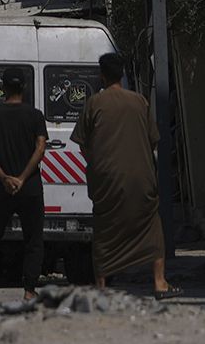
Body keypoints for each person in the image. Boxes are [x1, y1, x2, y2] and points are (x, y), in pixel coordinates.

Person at [71, 52, 179, 297]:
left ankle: (101, 286)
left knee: (105, 229)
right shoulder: (139, 101)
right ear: (122, 74)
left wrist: (97, 164)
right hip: (140, 178)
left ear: (102, 76)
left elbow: (82, 143)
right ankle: (160, 282)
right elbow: (153, 140)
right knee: (152, 224)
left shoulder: (94, 104)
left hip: (106, 179)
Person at [0, 73, 48, 304]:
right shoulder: (35, 116)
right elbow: (41, 147)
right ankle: (29, 291)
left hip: (1, 189)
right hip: (30, 188)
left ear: (2, 88)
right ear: (23, 88)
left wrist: (4, 177)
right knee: (33, 239)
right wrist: (23, 178)